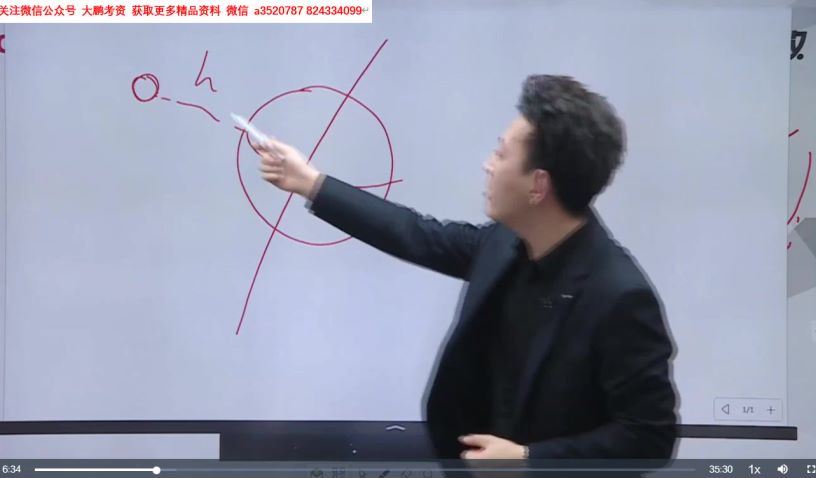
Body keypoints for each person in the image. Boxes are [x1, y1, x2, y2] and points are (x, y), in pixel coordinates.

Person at [254, 75, 677, 459]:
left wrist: (530, 460)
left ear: (538, 185)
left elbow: (648, 437)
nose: (488, 165)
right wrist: (310, 183)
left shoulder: (618, 295)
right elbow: (415, 234)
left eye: (501, 153)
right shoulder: (504, 243)